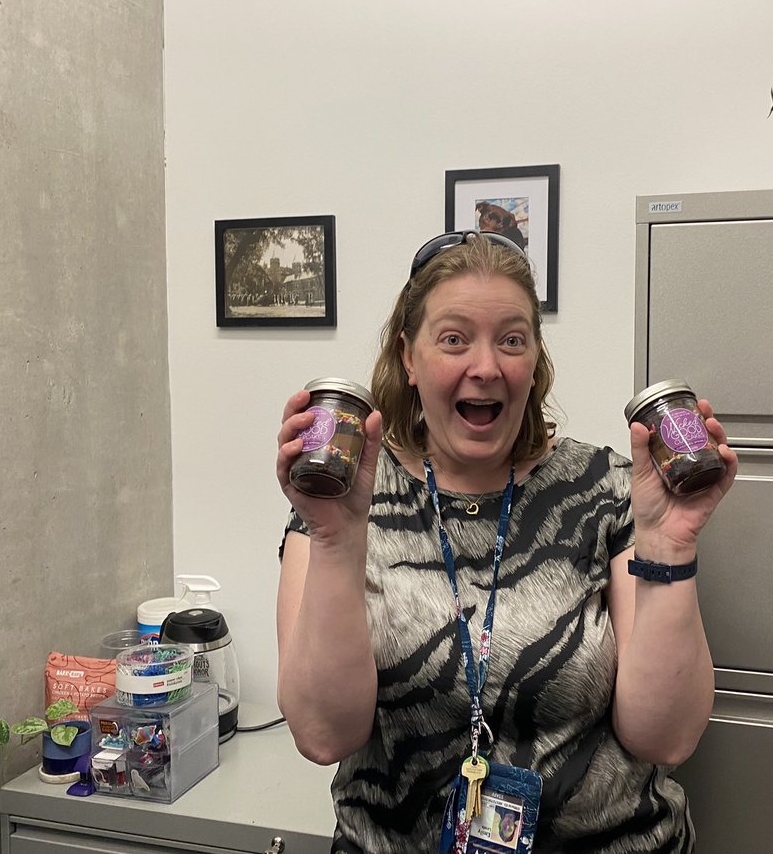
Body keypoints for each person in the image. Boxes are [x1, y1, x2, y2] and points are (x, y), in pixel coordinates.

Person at [275, 230, 737, 853]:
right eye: (454, 338)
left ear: (534, 361)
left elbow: (667, 739)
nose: (486, 366)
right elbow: (323, 737)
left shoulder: (604, 490)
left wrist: (671, 545)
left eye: (512, 340)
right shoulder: (338, 500)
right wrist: (335, 540)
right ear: (409, 358)